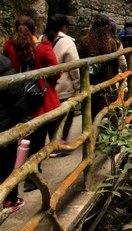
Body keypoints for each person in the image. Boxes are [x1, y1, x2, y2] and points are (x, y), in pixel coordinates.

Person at [3, 15, 61, 192]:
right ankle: (31, 177)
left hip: (14, 100)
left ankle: (14, 176)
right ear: (35, 29)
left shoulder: (9, 48)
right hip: (38, 100)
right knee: (37, 139)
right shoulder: (43, 48)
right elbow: (56, 71)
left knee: (17, 137)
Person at [39, 14, 80, 157]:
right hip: (63, 87)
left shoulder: (41, 39)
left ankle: (51, 145)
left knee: (50, 117)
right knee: (65, 116)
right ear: (63, 27)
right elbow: (74, 67)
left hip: (45, 86)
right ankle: (59, 146)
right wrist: (78, 86)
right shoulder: (67, 42)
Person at [0, 55, 32, 212]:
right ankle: (9, 199)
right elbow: (15, 96)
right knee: (6, 162)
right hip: (3, 123)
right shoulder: (2, 62)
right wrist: (25, 121)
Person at [78, 14, 119, 120]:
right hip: (106, 80)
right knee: (107, 109)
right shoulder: (111, 43)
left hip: (89, 80)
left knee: (91, 110)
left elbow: (80, 60)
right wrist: (116, 76)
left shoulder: (84, 41)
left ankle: (92, 134)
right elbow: (115, 63)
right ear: (107, 27)